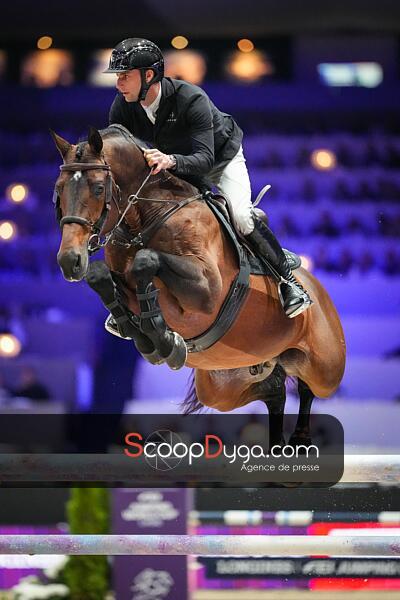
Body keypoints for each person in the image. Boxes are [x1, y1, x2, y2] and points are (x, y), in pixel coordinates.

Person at [105, 38, 312, 318]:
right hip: (169, 164)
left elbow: (204, 159)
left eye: (124, 76)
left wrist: (170, 160)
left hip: (218, 158)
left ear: (149, 75)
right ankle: (127, 299)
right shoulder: (122, 107)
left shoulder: (190, 98)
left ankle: (289, 283)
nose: (118, 83)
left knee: (241, 216)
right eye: (117, 76)